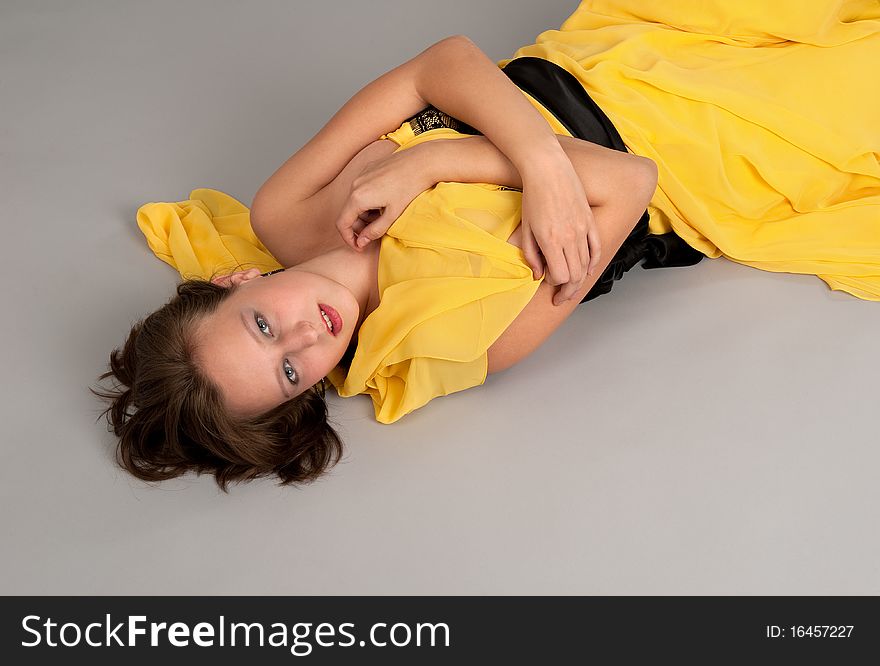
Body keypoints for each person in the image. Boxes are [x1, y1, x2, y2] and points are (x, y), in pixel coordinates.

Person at [93, 1, 879, 491]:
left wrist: (500, 160)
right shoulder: (455, 348)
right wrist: (436, 160)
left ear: (233, 280)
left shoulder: (284, 211)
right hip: (703, 153)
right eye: (292, 370)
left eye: (264, 326)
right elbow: (630, 182)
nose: (308, 336)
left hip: (600, 54)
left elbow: (444, 63)